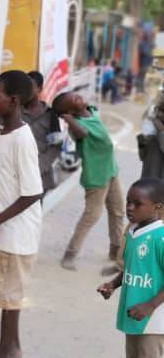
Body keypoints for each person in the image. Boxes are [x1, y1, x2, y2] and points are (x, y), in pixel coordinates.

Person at [0, 70, 42, 358]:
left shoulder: (22, 139)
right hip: (9, 229)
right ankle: (10, 346)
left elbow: (32, 193)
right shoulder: (4, 134)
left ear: (13, 101)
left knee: (10, 294)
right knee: (6, 291)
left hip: (19, 232)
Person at [97, 177, 164, 358]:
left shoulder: (160, 237)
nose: (130, 208)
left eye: (138, 204)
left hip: (154, 318)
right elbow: (133, 269)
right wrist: (113, 285)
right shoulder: (133, 231)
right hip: (132, 311)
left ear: (158, 207)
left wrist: (150, 305)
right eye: (128, 202)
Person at [53, 90, 124, 274]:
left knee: (117, 211)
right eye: (73, 100)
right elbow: (82, 133)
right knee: (91, 215)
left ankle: (115, 252)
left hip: (111, 170)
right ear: (69, 111)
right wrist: (67, 119)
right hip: (96, 176)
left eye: (76, 95)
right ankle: (69, 254)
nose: (78, 97)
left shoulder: (91, 111)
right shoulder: (76, 126)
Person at [23, 70, 63, 194]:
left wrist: (40, 166)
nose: (27, 90)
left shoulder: (50, 115)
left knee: (34, 210)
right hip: (18, 173)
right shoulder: (15, 111)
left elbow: (56, 146)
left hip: (40, 175)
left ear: (39, 89)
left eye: (31, 87)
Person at [138, 88, 164, 179]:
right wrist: (142, 139)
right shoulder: (153, 131)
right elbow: (142, 157)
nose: (159, 114)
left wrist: (161, 131)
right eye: (158, 110)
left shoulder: (159, 130)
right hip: (147, 183)